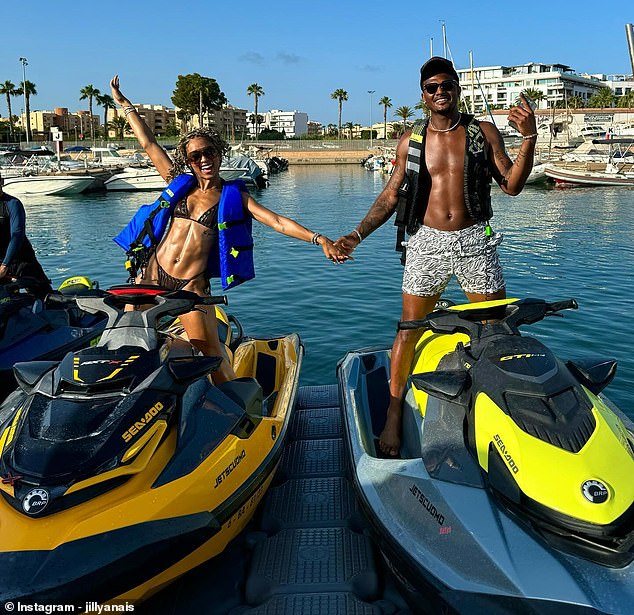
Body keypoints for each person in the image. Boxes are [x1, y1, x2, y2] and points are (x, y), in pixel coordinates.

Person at [335, 57, 537, 456]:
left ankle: (504, 415)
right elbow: (392, 194)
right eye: (432, 87)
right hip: (426, 242)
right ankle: (393, 416)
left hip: (474, 240)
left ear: (458, 89)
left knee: (496, 331)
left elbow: (512, 185)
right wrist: (355, 235)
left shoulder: (482, 132)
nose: (440, 92)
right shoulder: (411, 140)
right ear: (423, 95)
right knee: (409, 328)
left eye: (447, 85)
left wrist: (529, 138)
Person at [110, 75, 348, 383]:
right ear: (188, 161)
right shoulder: (177, 185)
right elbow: (148, 143)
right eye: (195, 156)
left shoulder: (233, 197)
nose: (204, 159)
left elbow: (276, 221)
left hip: (190, 286)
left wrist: (319, 239)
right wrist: (123, 104)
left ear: (219, 153)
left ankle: (239, 405)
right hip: (152, 275)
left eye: (209, 152)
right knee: (125, 339)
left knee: (208, 352)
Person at [0, 173, 51, 297]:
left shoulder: (12, 204)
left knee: (45, 297)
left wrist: (5, 264)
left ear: (1, 182)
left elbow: (17, 235)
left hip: (20, 260)